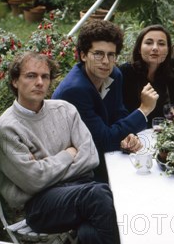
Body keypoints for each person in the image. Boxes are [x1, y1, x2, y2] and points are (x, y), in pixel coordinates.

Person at [0, 51, 123, 244]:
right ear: (14, 80)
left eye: (45, 76)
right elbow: (34, 181)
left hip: (82, 192)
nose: (40, 82)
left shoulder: (65, 110)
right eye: (31, 76)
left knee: (90, 232)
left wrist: (46, 166)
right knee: (99, 194)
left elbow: (90, 158)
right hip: (41, 204)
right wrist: (68, 153)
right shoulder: (6, 129)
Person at [53, 20, 158, 175]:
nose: (105, 62)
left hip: (106, 155)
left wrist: (128, 137)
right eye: (98, 54)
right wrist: (144, 110)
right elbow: (104, 141)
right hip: (77, 167)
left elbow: (119, 113)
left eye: (111, 55)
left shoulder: (114, 75)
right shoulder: (75, 90)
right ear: (83, 55)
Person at [119, 24, 174, 122]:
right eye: (149, 43)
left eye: (161, 44)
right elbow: (121, 113)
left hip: (164, 130)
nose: (155, 48)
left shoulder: (173, 68)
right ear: (139, 49)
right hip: (134, 131)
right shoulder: (125, 72)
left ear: (168, 50)